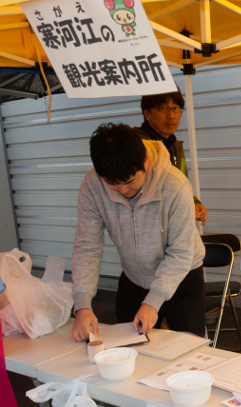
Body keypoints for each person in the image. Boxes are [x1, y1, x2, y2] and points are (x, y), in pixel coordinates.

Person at [70, 123, 206, 341]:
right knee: (130, 348)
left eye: (130, 182)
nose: (123, 191)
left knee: (189, 350)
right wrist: (82, 305)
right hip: (133, 279)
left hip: (182, 278)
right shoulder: (92, 186)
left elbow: (181, 252)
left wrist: (153, 301)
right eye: (112, 185)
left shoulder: (175, 185)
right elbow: (87, 247)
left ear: (145, 161)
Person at [137, 89, 208, 225]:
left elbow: (179, 185)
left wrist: (193, 202)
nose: (171, 115)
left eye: (175, 108)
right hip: (149, 228)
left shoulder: (175, 145)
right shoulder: (138, 146)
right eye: (163, 108)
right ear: (147, 113)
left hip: (174, 226)